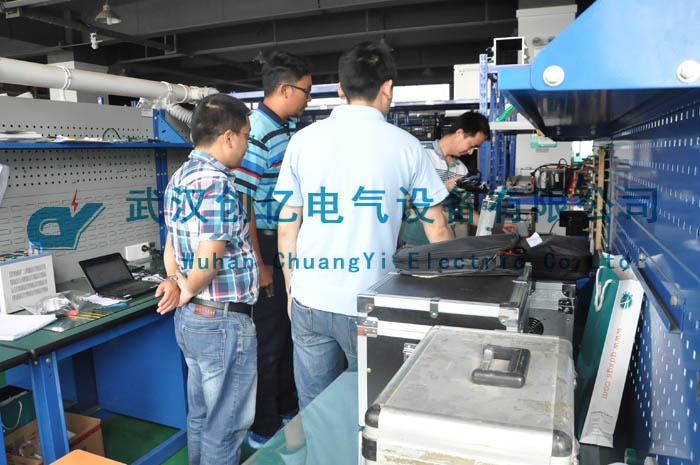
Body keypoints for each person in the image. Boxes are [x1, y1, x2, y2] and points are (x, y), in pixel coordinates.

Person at [274, 41, 454, 408]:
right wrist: (451, 296)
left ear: (341, 90)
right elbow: (437, 230)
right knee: (372, 406)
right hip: (371, 302)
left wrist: (292, 287)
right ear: (388, 88)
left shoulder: (302, 142)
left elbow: (287, 226)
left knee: (316, 409)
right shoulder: (407, 147)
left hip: (310, 299)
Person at [155, 93, 258, 465]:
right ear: (228, 137)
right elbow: (210, 257)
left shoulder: (179, 178)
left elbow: (170, 244)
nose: (246, 144)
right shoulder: (217, 183)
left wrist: (175, 280)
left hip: (195, 322)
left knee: (201, 417)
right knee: (224, 428)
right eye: (245, 136)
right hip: (221, 322)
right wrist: (187, 288)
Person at [233, 51, 312, 449]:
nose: (308, 99)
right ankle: (262, 427)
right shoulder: (258, 132)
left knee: (287, 332)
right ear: (284, 89)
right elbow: (243, 202)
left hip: (288, 240)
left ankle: (286, 407)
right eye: (305, 91)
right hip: (265, 243)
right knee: (268, 341)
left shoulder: (288, 129)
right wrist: (261, 263)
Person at [401, 111, 491, 246]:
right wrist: (444, 188)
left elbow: (463, 210)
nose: (471, 152)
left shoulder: (461, 169)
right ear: (459, 133)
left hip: (445, 241)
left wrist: (492, 226)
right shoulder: (422, 156)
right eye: (471, 145)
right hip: (417, 242)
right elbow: (404, 200)